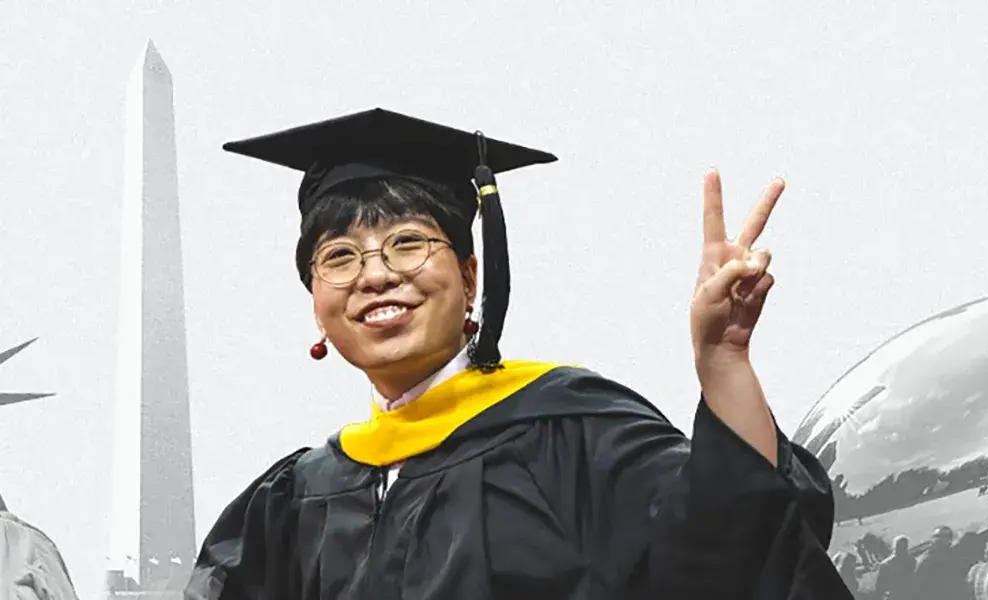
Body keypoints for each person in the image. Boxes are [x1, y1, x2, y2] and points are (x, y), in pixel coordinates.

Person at [183, 108, 850, 599]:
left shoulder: (571, 434)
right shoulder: (292, 503)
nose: (375, 274)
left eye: (409, 243)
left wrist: (724, 363)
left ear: (471, 278)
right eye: (338, 257)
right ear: (316, 303)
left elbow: (731, 551)